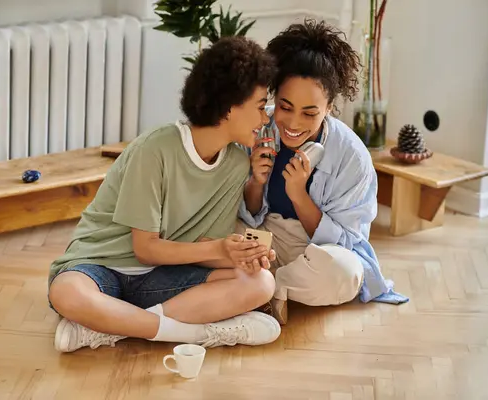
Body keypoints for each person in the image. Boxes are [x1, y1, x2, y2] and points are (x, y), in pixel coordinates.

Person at [48, 36, 282, 353]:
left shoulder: (236, 164)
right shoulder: (155, 148)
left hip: (161, 278)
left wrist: (242, 254)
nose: (265, 118)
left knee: (261, 283)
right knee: (66, 292)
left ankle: (112, 328)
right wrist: (221, 248)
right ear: (229, 106)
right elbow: (144, 249)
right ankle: (192, 334)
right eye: (259, 107)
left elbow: (203, 246)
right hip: (101, 267)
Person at [238, 20, 409, 324]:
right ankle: (264, 286)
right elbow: (242, 213)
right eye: (285, 107)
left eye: (310, 113)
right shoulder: (256, 127)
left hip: (316, 251)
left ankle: (267, 287)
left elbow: (345, 242)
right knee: (214, 236)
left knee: (345, 274)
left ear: (330, 106)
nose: (292, 123)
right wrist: (256, 181)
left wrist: (299, 195)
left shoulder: (352, 156)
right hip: (262, 237)